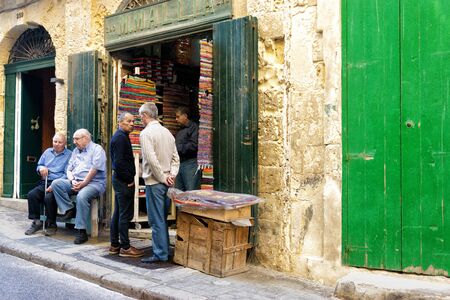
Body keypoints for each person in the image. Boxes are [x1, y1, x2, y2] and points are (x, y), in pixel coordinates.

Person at [139, 102, 179, 263]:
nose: (140, 119)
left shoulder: (146, 134)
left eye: (140, 116)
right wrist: (172, 175)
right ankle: (164, 250)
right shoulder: (167, 132)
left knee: (156, 219)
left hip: (155, 182)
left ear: (145, 115)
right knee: (162, 217)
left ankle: (160, 253)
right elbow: (176, 158)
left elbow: (151, 160)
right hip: (168, 181)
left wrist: (163, 177)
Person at [51, 129, 106, 244]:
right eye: (74, 139)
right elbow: (69, 169)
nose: (74, 141)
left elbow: (94, 170)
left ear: (85, 138)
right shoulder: (76, 151)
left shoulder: (97, 149)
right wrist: (72, 180)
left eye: (76, 139)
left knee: (82, 196)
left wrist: (84, 183)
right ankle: (69, 208)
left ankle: (81, 231)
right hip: (76, 181)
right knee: (56, 184)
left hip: (93, 183)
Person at [109, 112, 144, 258]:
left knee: (118, 213)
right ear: (120, 122)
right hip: (123, 182)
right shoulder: (120, 138)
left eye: (133, 121)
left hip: (120, 180)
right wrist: (129, 179)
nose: (132, 124)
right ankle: (125, 247)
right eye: (129, 121)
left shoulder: (121, 136)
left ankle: (115, 245)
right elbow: (119, 164)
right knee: (124, 214)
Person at [25, 133, 72, 236]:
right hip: (45, 181)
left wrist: (55, 185)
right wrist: (41, 168)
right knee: (32, 194)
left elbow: (67, 174)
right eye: (55, 141)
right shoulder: (47, 152)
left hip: (59, 183)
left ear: (64, 143)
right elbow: (39, 165)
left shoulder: (69, 155)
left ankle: (51, 224)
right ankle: (37, 222)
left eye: (60, 142)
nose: (57, 144)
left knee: (48, 198)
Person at [174, 106, 200, 191]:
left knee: (191, 193)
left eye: (178, 116)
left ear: (185, 116)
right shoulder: (180, 130)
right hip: (179, 164)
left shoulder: (194, 127)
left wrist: (178, 148)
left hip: (190, 164)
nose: (176, 119)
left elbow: (194, 145)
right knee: (179, 193)